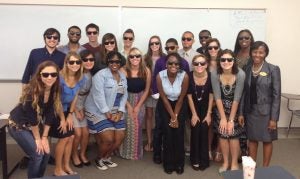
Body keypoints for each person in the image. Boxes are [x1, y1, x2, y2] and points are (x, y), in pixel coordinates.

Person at [8, 61, 63, 178]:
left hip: (34, 123)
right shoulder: (31, 91)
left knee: (47, 153)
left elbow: (49, 115)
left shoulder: (55, 89)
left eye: (53, 74)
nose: (50, 77)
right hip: (18, 124)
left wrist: (44, 137)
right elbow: (32, 118)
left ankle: (38, 177)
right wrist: (38, 140)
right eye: (46, 74)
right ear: (39, 75)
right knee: (38, 154)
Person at [21, 27, 65, 167]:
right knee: (31, 123)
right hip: (33, 94)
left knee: (47, 123)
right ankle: (30, 154)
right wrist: (24, 94)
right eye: (49, 36)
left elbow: (60, 78)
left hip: (49, 95)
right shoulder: (35, 52)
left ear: (58, 40)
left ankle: (46, 151)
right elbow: (27, 73)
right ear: (44, 38)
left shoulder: (62, 56)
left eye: (55, 37)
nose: (52, 39)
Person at [239, 41, 281, 167]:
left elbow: (276, 95)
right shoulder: (247, 68)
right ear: (251, 53)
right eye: (255, 52)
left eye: (261, 52)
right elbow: (244, 93)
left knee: (267, 140)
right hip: (251, 111)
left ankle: (265, 168)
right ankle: (252, 167)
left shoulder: (273, 69)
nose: (257, 55)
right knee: (252, 140)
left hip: (267, 113)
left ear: (265, 54)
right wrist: (241, 113)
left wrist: (274, 118)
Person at [84, 51, 128, 170]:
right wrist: (108, 114)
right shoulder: (100, 75)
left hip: (116, 110)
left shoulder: (123, 76)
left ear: (120, 62)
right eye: (111, 61)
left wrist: (120, 112)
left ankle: (106, 158)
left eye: (117, 61)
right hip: (98, 110)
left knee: (119, 138)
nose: (114, 63)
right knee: (109, 139)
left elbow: (125, 95)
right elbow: (99, 96)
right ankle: (99, 158)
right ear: (108, 62)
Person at [152, 38, 189, 164]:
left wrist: (175, 116)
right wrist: (172, 117)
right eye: (170, 64)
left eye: (176, 64)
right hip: (165, 103)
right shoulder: (160, 75)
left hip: (179, 103)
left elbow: (181, 98)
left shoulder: (184, 76)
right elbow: (163, 97)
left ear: (180, 65)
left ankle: (179, 163)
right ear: (166, 64)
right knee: (164, 131)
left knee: (178, 132)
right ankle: (166, 161)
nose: (173, 66)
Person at [49, 52, 85, 176]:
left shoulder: (81, 77)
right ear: (66, 63)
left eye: (78, 62)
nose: (75, 64)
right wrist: (63, 118)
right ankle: (57, 169)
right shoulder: (59, 77)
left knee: (71, 137)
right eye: (71, 62)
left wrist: (70, 114)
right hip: (53, 110)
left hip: (66, 110)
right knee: (64, 138)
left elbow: (75, 97)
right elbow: (56, 100)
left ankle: (66, 166)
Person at [211, 49, 245, 173]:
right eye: (223, 59)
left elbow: (237, 98)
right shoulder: (215, 74)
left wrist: (230, 119)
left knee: (233, 134)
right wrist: (223, 119)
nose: (226, 62)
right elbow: (217, 97)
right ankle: (226, 162)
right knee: (223, 134)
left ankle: (234, 163)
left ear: (233, 61)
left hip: (235, 108)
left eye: (229, 59)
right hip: (220, 108)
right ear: (219, 61)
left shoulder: (240, 74)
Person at [119, 47, 151, 160]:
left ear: (141, 58)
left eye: (137, 56)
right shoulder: (123, 70)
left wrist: (137, 106)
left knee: (137, 124)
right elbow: (121, 90)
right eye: (132, 56)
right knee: (128, 124)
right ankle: (125, 151)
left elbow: (147, 90)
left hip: (140, 99)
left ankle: (136, 152)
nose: (135, 58)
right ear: (128, 58)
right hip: (126, 99)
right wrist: (128, 106)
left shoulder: (146, 70)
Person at [187, 54, 213, 171]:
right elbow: (189, 96)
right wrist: (194, 114)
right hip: (193, 107)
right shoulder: (189, 76)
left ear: (206, 65)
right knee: (195, 129)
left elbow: (212, 96)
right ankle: (195, 160)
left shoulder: (211, 76)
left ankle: (204, 160)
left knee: (204, 130)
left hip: (207, 107)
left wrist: (208, 114)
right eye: (196, 63)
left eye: (202, 63)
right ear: (193, 65)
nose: (199, 65)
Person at [71, 50, 95, 167]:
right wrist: (76, 110)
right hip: (72, 105)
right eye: (85, 60)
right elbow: (71, 95)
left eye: (91, 59)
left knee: (86, 133)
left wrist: (84, 110)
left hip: (83, 105)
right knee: (78, 133)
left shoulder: (90, 74)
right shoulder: (76, 74)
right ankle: (74, 155)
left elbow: (88, 94)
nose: (88, 62)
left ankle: (82, 154)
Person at [233, 29, 255, 161]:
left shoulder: (255, 54)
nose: (244, 40)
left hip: (249, 93)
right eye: (241, 38)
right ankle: (242, 151)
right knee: (238, 122)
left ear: (251, 38)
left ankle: (248, 152)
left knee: (247, 122)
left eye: (246, 37)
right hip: (235, 91)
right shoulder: (235, 54)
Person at [143, 35, 165, 153]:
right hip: (148, 91)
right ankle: (150, 141)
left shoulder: (165, 57)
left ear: (160, 44)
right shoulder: (145, 58)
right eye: (152, 44)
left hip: (161, 92)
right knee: (149, 116)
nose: (154, 46)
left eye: (157, 43)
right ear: (149, 45)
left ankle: (160, 142)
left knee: (161, 117)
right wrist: (149, 89)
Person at [206, 38, 222, 162]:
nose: (212, 50)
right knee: (209, 126)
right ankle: (208, 150)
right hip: (207, 98)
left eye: (215, 47)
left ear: (219, 48)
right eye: (210, 48)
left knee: (221, 126)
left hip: (222, 98)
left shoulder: (224, 61)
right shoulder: (204, 62)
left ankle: (219, 151)